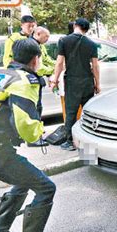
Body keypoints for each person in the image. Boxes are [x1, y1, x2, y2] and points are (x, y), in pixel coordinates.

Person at [0, 39, 63, 232]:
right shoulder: (25, 81)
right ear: (35, 59)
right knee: (45, 187)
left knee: (22, 182)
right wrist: (39, 132)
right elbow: (26, 126)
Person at [50, 18, 101, 151]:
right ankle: (89, 146)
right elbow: (95, 65)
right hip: (87, 81)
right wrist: (98, 83)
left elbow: (60, 62)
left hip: (72, 82)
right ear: (86, 29)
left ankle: (70, 142)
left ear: (75, 26)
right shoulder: (91, 44)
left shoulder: (64, 40)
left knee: (71, 112)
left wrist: (55, 79)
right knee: (87, 112)